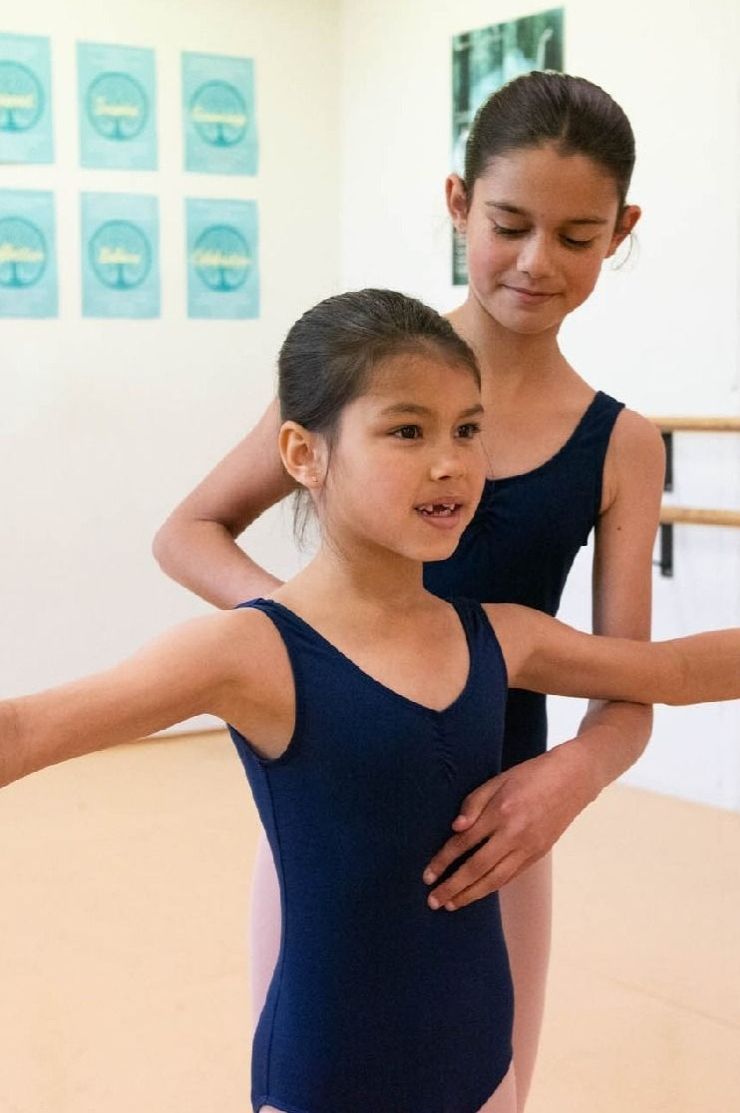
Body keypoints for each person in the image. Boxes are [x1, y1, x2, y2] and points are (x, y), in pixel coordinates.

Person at [3, 289, 739, 1113]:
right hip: (326, 1086)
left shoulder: (503, 635)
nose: (451, 461)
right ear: (303, 452)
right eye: (407, 430)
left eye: (468, 429)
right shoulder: (255, 651)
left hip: (481, 1072)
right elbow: (27, 728)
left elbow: (669, 674)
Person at [152, 72, 665, 1107]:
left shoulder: (621, 444)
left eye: (575, 235)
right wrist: (305, 644)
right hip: (333, 820)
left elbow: (632, 691)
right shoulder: (356, 380)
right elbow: (188, 531)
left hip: (500, 829)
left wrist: (565, 779)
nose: (534, 262)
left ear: (620, 231)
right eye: (507, 223)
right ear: (456, 204)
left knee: (493, 1091)